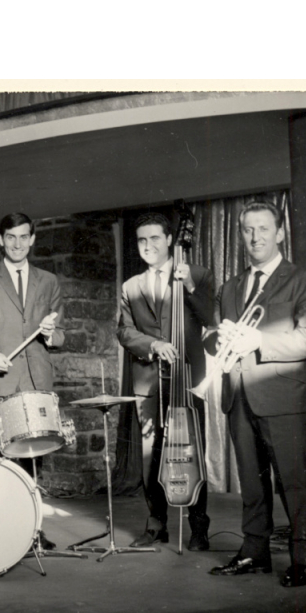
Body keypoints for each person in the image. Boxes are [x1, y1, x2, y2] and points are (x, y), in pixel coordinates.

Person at [207, 201, 306, 587]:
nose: (255, 237)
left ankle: (303, 560)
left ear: (279, 233)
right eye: (247, 230)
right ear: (241, 234)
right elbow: (213, 337)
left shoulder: (303, 281)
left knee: (295, 483)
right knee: (251, 485)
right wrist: (217, 339)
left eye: (263, 228)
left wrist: (259, 339)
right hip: (239, 397)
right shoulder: (229, 287)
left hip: (283, 399)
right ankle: (253, 553)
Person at [0, 212, 64, 549]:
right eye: (10, 237)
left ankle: (32, 530)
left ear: (32, 239)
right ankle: (2, 534)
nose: (17, 244)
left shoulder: (48, 281)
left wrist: (49, 334)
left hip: (36, 383)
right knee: (0, 461)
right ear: (0, 240)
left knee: (34, 461)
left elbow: (60, 334)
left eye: (23, 237)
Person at [117, 212, 215, 550]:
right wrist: (153, 344)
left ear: (170, 239)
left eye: (155, 238)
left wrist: (189, 287)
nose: (148, 246)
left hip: (187, 377)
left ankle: (199, 527)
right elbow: (124, 331)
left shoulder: (198, 274)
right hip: (148, 379)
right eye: (142, 240)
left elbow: (211, 318)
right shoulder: (131, 286)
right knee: (151, 455)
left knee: (191, 450)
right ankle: (157, 523)